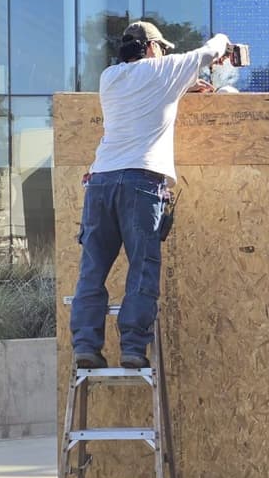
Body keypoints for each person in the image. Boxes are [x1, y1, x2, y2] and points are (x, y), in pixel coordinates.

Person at [70, 21, 231, 370]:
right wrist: (226, 43)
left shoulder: (110, 78)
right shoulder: (164, 70)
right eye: (162, 48)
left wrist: (181, 89)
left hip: (100, 183)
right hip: (140, 184)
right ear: (151, 47)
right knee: (142, 268)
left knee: (92, 270)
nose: (165, 54)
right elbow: (210, 50)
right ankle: (132, 347)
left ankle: (85, 344)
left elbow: (143, 95)